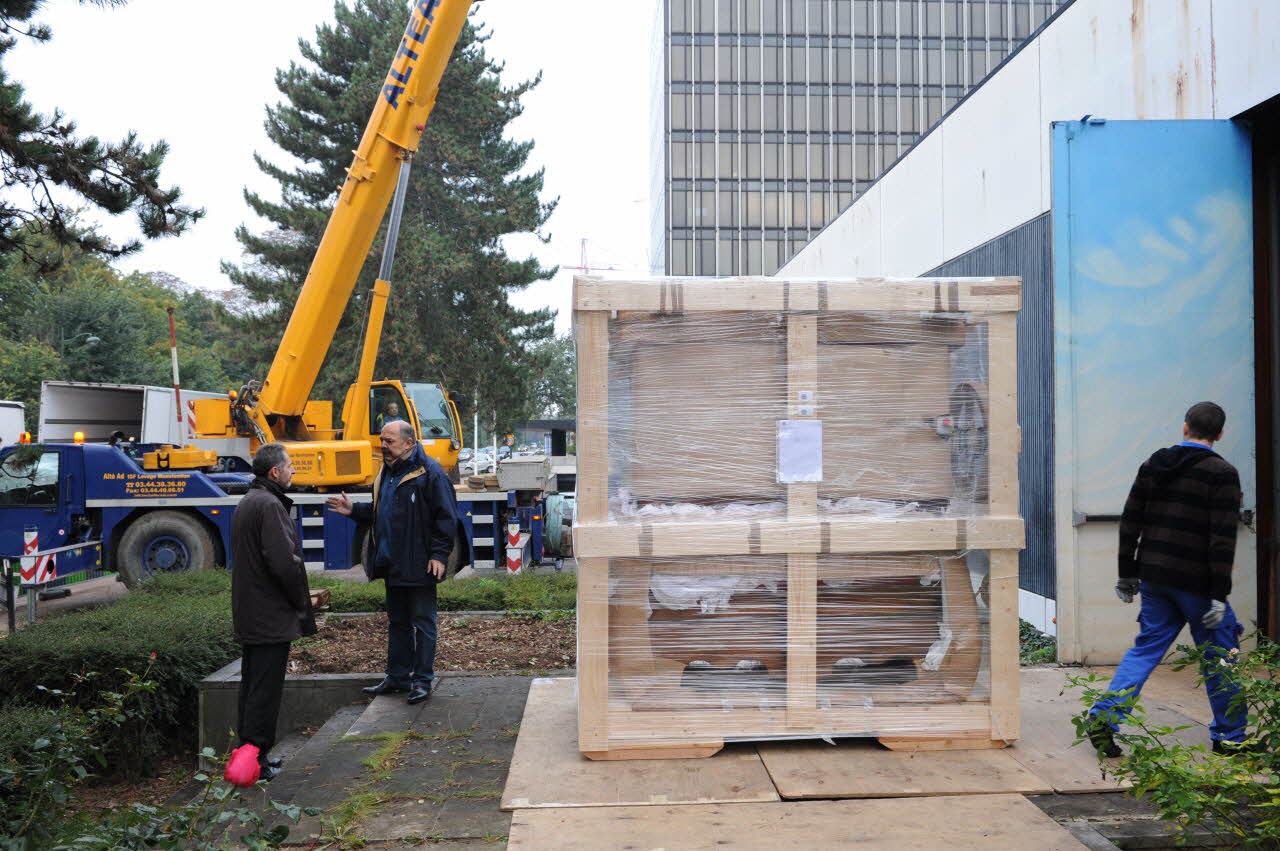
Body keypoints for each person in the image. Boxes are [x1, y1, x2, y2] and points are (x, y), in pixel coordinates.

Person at [1085, 401, 1255, 758]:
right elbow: (1222, 538)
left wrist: (1126, 574)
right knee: (1219, 655)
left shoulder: (1154, 464)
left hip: (1155, 576)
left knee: (1146, 648)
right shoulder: (1221, 472)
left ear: (1184, 427)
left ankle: (1105, 715)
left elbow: (1131, 520)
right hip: (1197, 582)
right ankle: (1230, 736)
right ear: (1220, 434)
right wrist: (1218, 595)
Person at [326, 421, 469, 704]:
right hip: (392, 564)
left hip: (419, 565)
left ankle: (422, 681)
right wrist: (354, 510)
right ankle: (398, 677)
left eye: (389, 441)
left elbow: (447, 518)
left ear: (409, 443)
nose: (383, 445)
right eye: (382, 440)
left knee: (423, 624)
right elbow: (383, 512)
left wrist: (439, 555)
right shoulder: (386, 473)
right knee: (398, 623)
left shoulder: (431, 473)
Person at [231, 443, 316, 780]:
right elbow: (284, 563)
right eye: (290, 465)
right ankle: (257, 761)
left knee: (253, 686)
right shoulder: (269, 505)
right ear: (275, 473)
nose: (294, 470)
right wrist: (300, 600)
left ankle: (253, 756)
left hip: (255, 612)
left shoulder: (252, 500)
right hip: (269, 615)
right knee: (264, 691)